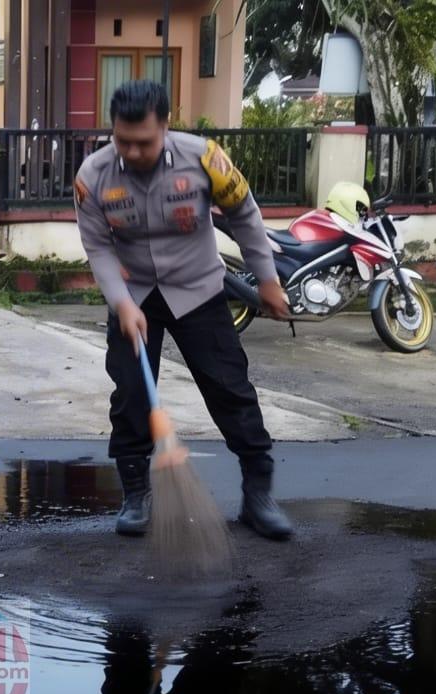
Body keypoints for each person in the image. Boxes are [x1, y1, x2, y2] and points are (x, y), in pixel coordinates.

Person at [74, 80, 294, 542]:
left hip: (198, 292)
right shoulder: (93, 176)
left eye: (144, 142)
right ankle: (136, 495)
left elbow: (245, 217)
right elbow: (97, 247)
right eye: (123, 141)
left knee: (230, 389)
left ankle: (259, 495)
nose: (132, 152)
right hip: (134, 297)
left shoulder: (205, 160)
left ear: (166, 126)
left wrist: (267, 280)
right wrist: (121, 303)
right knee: (132, 396)